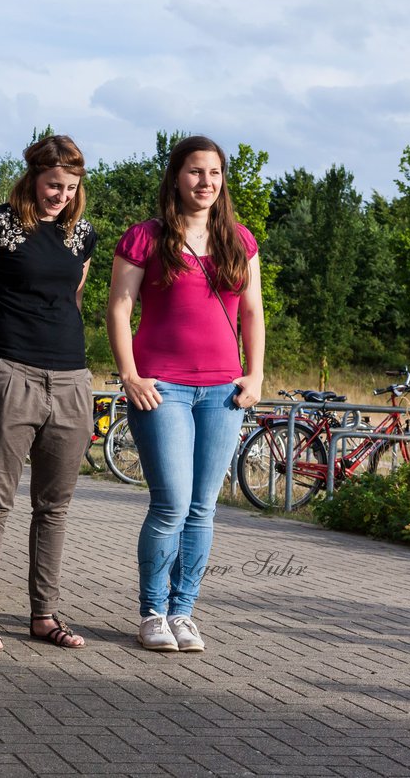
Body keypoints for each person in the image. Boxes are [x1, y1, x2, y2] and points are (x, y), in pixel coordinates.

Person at [106, 134, 265, 653]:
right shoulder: (145, 237)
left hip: (223, 390)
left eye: (215, 173)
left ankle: (184, 612)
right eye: (196, 172)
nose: (206, 182)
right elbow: (119, 309)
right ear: (176, 176)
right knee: (171, 504)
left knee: (203, 508)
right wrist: (129, 374)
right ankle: (153, 611)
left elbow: (252, 312)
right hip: (162, 388)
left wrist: (256, 374)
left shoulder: (239, 240)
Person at [0, 135, 96, 652]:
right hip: (9, 372)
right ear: (33, 177)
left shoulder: (83, 235)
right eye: (53, 184)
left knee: (54, 507)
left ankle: (44, 615)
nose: (60, 194)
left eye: (70, 186)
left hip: (73, 380)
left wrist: (79, 375)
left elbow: (73, 299)